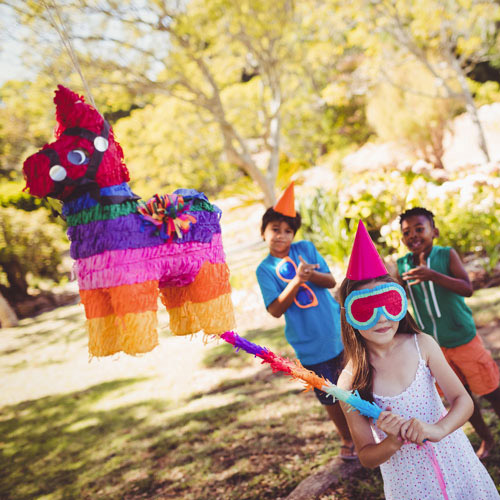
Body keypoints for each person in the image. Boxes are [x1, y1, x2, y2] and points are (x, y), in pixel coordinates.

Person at [337, 220, 499, 500]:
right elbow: (366, 456)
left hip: (457, 463)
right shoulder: (349, 381)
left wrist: (439, 429)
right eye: (366, 309)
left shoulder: (422, 344)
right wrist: (391, 441)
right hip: (409, 486)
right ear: (349, 315)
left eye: (388, 304)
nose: (382, 318)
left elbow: (463, 400)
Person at [256, 182, 356, 460]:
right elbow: (275, 309)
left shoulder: (306, 249)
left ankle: (367, 430)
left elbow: (331, 281)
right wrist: (297, 280)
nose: (282, 236)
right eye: (276, 229)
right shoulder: (264, 269)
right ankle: (347, 439)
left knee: (355, 382)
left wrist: (310, 274)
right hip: (309, 345)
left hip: (337, 331)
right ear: (263, 232)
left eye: (288, 231)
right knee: (329, 395)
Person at [396, 206, 500, 459]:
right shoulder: (402, 265)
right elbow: (400, 300)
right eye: (407, 232)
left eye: (419, 229)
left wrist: (433, 275)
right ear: (402, 239)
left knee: (491, 390)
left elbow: (467, 288)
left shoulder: (446, 255)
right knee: (461, 396)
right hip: (434, 348)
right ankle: (487, 440)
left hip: (463, 338)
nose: (413, 236)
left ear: (435, 232)